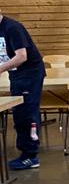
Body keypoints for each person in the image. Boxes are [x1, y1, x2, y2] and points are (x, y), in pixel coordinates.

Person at [0, 11, 46, 170]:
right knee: (19, 112)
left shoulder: (12, 28)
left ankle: (30, 156)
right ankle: (26, 152)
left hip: (30, 73)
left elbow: (21, 56)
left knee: (26, 112)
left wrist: (1, 69)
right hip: (16, 74)